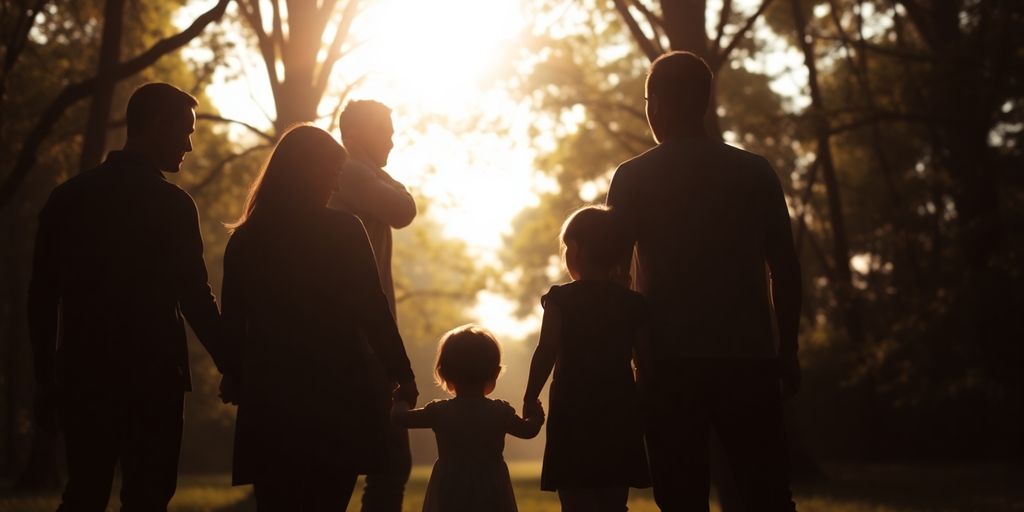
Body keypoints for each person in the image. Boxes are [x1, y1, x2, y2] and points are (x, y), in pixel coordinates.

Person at [606, 51, 803, 511]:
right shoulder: (755, 172)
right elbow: (785, 266)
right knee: (767, 492)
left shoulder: (633, 177)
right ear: (706, 102)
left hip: (667, 361)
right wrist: (787, 349)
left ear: (657, 103)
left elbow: (613, 277)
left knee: (680, 496)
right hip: (749, 357)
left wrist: (628, 359)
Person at [27, 82, 235, 511]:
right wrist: (234, 366)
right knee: (148, 497)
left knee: (84, 492)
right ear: (156, 124)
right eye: (185, 131)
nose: (190, 146)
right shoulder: (173, 205)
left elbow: (42, 298)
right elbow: (195, 297)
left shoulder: (67, 198)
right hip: (155, 377)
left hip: (84, 373)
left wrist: (46, 380)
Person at [219, 125, 418, 511]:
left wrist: (233, 372)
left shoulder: (245, 240)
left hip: (270, 401)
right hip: (336, 398)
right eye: (331, 173)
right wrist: (403, 373)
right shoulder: (342, 231)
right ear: (309, 172)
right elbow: (371, 308)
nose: (335, 184)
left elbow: (233, 322)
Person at [522, 205, 652, 512]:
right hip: (618, 408)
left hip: (572, 410)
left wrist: (530, 395)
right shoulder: (631, 303)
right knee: (613, 500)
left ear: (576, 250)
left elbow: (546, 351)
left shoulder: (561, 300)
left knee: (576, 499)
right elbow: (645, 358)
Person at [330, 99, 417, 511]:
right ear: (361, 133)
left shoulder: (353, 174)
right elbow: (404, 209)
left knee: (382, 462)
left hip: (364, 337)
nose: (393, 140)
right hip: (364, 341)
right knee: (386, 462)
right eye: (386, 130)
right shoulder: (352, 173)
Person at [391, 325, 544, 512]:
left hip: (451, 485)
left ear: (443, 373)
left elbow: (400, 418)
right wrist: (536, 414)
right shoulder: (499, 412)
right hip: (491, 485)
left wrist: (401, 400)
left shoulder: (440, 412)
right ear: (495, 373)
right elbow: (528, 431)